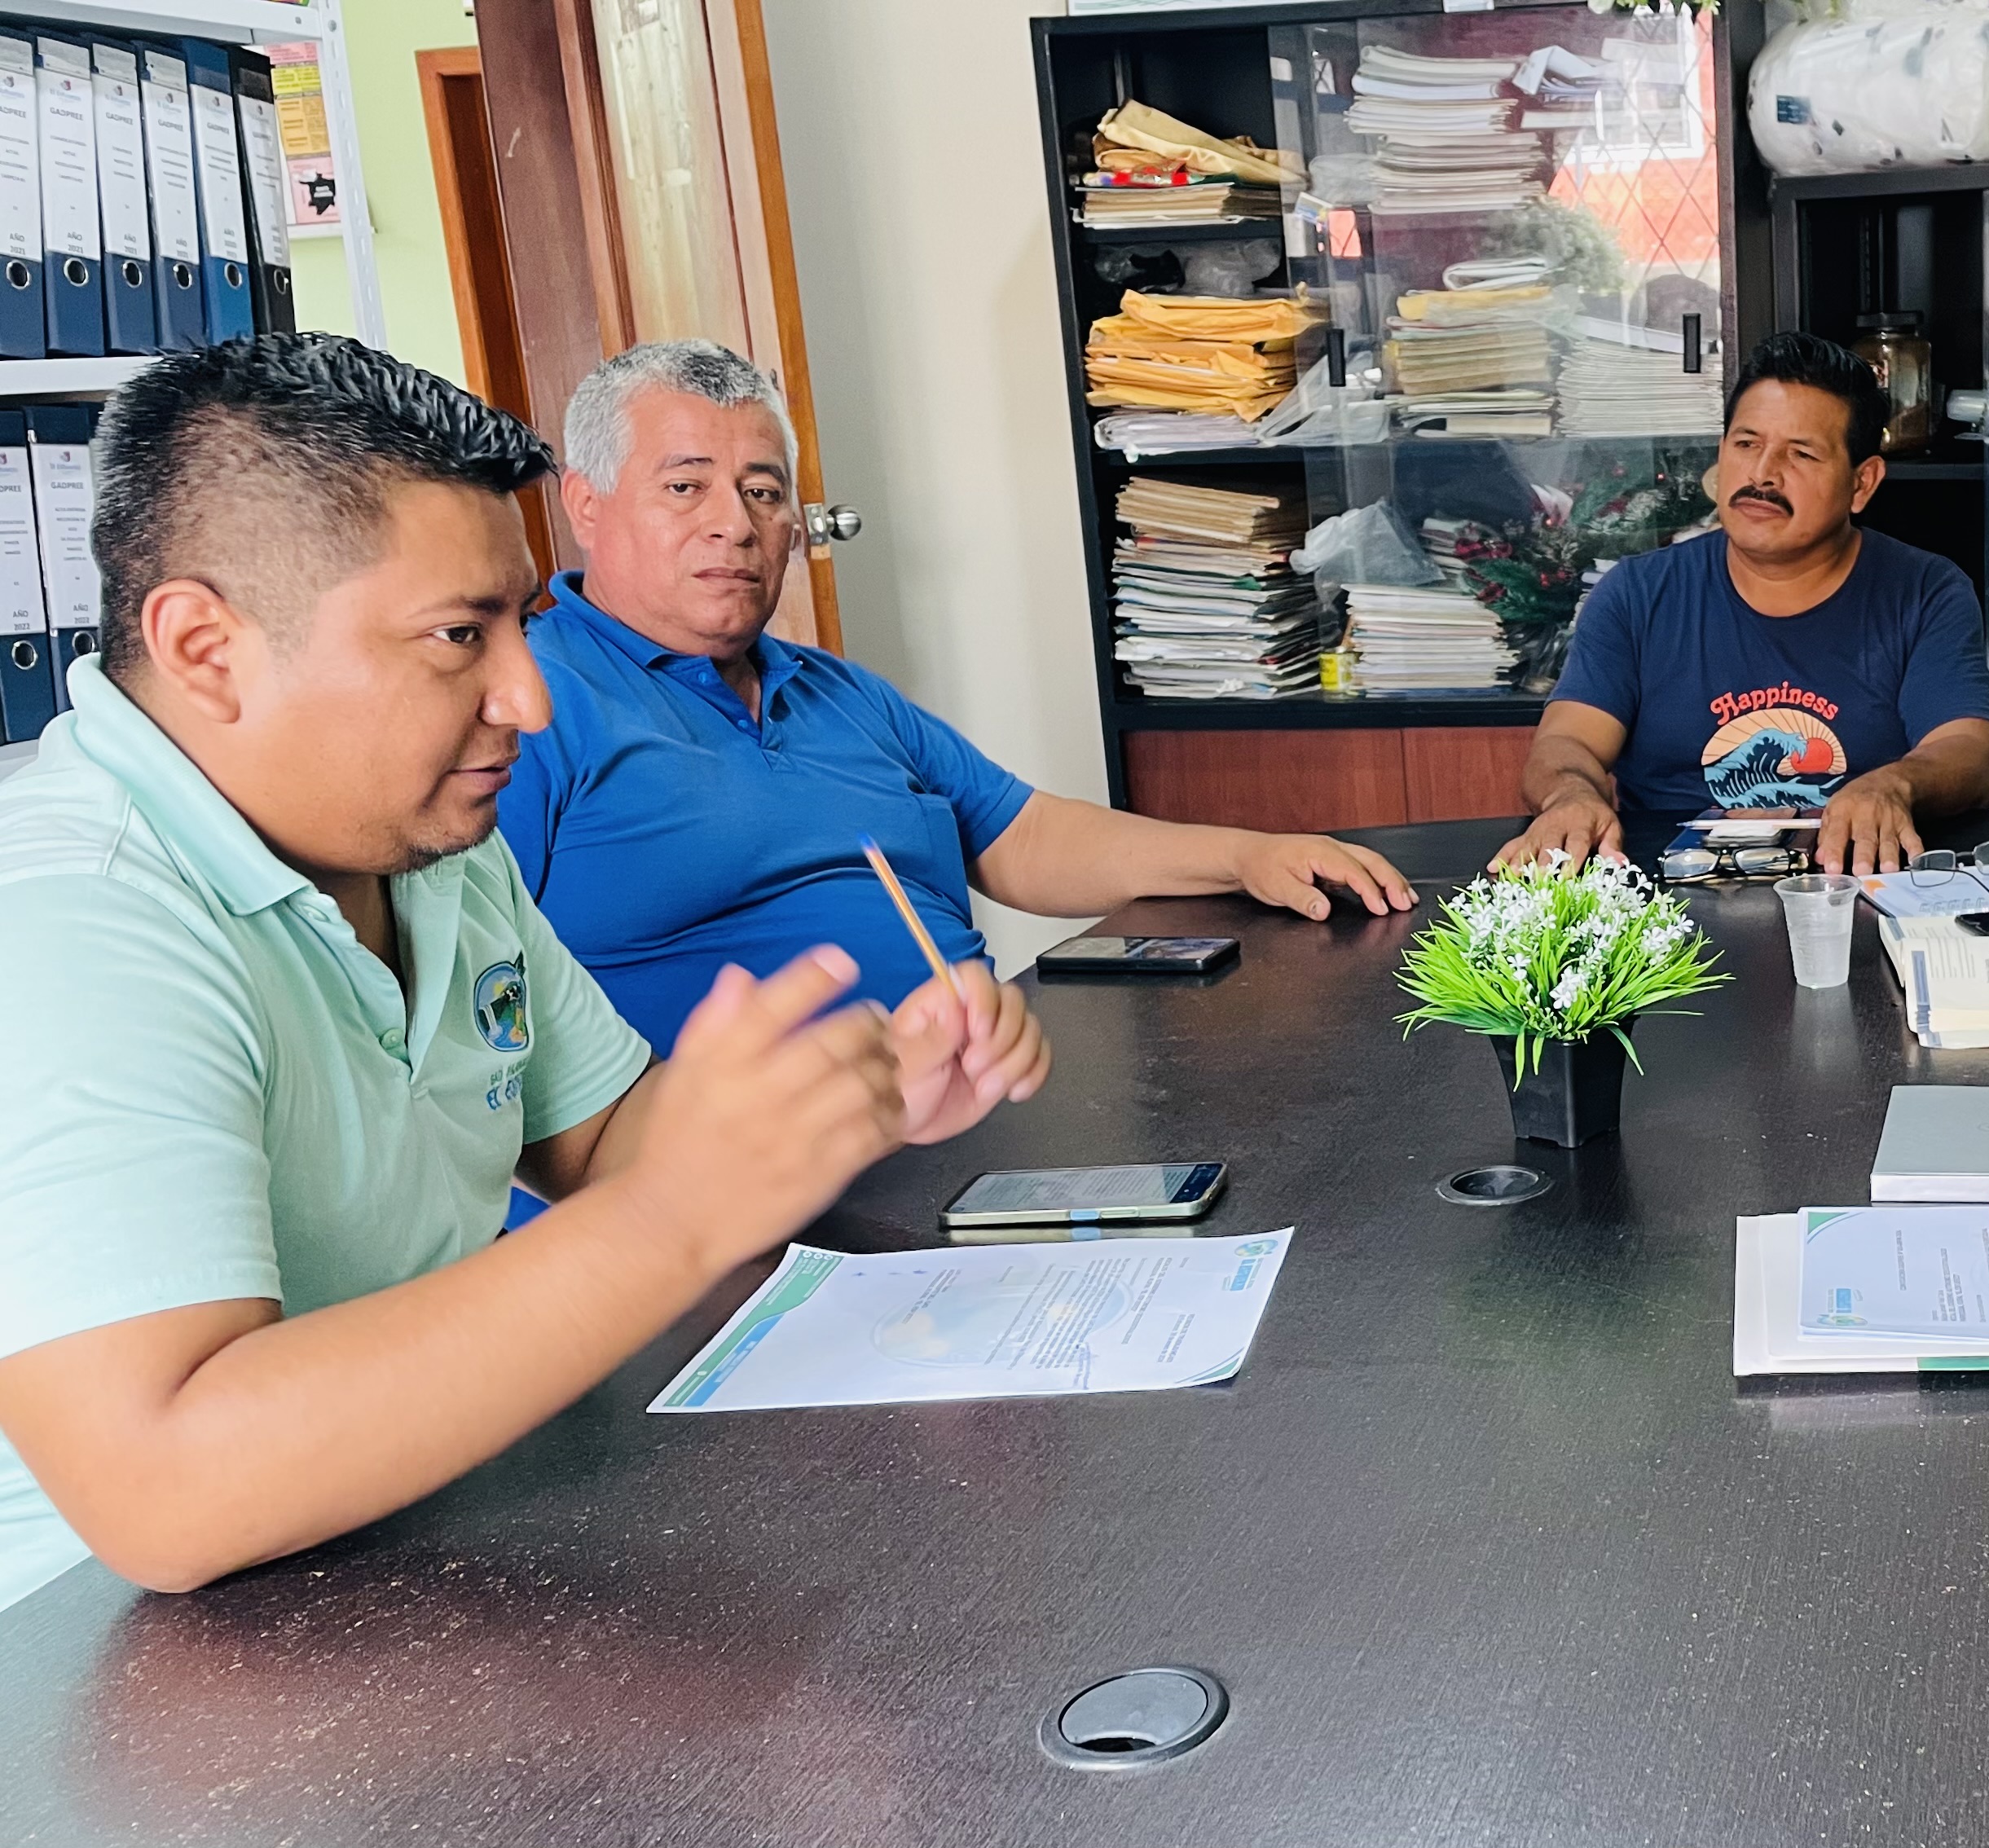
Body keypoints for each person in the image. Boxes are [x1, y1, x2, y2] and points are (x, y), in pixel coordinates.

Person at [0, 336, 1047, 1612]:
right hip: (108, 1655)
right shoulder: (69, 921)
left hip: (409, 1540)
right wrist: (671, 1222)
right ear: (207, 648)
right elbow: (162, 1492)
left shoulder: (426, 845)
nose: (528, 700)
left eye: (521, 626)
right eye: (459, 636)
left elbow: (599, 1140)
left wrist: (849, 1093)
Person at [502, 341, 1414, 1054]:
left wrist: (1251, 855)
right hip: (743, 1188)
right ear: (586, 506)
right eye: (685, 486)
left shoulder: (835, 691)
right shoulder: (527, 708)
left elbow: (1024, 837)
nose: (735, 525)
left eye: (763, 491)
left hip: (970, 1115)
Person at [1494, 331, 1989, 873]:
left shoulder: (1924, 592)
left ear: (1861, 483)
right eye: (1746, 444)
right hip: (1667, 889)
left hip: (1850, 880)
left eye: (1800, 454)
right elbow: (1567, 741)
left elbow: (1969, 752)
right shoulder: (1637, 594)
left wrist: (1894, 785)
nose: (1762, 474)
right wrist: (1570, 794)